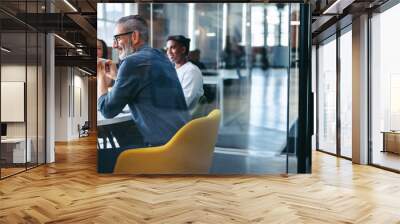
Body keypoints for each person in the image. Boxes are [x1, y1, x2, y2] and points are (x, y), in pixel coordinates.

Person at [97, 15, 190, 172]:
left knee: (97, 158)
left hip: (160, 150)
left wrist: (101, 77)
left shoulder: (132, 62)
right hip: (180, 143)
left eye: (117, 38)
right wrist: (117, 77)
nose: (114, 45)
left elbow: (107, 110)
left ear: (134, 36)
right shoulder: (160, 56)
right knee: (122, 132)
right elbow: (145, 88)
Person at [166, 35, 204, 112]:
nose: (168, 52)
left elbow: (182, 103)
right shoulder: (174, 70)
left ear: (183, 49)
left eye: (172, 48)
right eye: (167, 49)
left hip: (182, 117)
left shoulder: (191, 71)